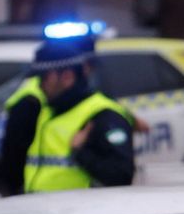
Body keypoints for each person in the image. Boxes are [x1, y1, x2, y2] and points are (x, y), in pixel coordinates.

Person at [23, 38, 136, 192]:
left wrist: (81, 153)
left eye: (44, 78)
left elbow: (121, 176)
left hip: (80, 207)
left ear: (67, 77)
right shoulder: (49, 111)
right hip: (42, 205)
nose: (40, 86)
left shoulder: (103, 115)